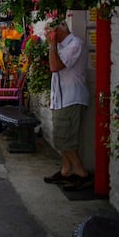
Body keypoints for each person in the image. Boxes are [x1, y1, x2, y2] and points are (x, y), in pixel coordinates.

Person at [42, 21, 93, 191]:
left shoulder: (75, 44)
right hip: (61, 99)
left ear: (59, 30)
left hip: (72, 99)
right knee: (60, 137)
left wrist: (52, 45)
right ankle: (66, 171)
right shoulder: (62, 45)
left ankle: (81, 173)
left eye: (51, 30)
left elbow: (55, 67)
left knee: (66, 140)